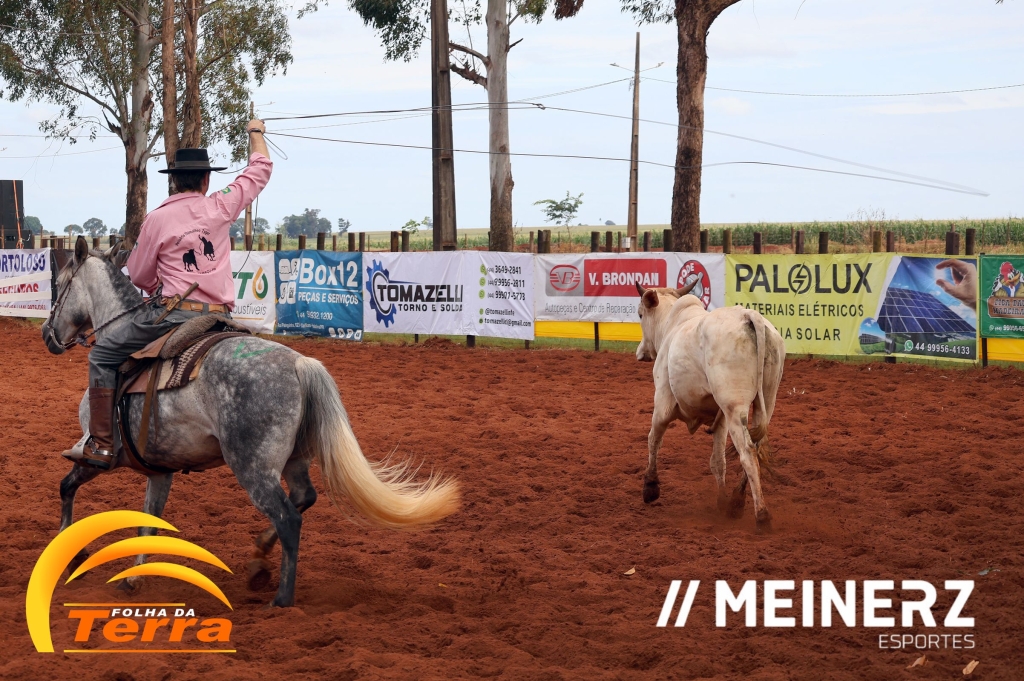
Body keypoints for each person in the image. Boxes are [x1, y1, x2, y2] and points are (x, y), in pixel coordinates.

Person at [64, 120, 272, 469]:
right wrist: (255, 133)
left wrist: (157, 282)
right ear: (206, 180)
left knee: (102, 354)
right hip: (220, 316)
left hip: (176, 316)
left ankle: (101, 443)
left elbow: (140, 276)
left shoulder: (157, 219)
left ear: (173, 181)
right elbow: (260, 170)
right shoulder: (222, 204)